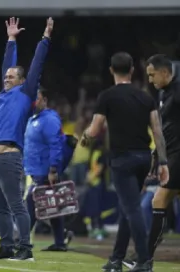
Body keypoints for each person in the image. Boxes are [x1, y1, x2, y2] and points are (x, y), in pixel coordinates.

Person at [81, 52, 168, 272]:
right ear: (131, 70)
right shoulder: (146, 97)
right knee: (127, 208)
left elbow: (95, 128)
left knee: (132, 209)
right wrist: (163, 162)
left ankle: (144, 261)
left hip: (122, 159)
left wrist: (84, 138)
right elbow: (157, 132)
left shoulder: (107, 96)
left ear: (111, 70)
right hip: (143, 158)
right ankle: (116, 259)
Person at [0, 17, 53, 261]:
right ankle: (6, 246)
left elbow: (37, 65)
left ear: (22, 82)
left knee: (16, 206)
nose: (7, 78)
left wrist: (45, 39)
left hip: (9, 157)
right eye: (6, 76)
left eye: (12, 77)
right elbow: (7, 64)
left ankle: (25, 248)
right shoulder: (3, 94)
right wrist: (11, 39)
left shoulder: (25, 93)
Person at [123, 55, 180, 269]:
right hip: (172, 154)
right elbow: (168, 127)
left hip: (178, 155)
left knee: (159, 201)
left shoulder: (177, 89)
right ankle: (143, 256)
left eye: (152, 74)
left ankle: (144, 258)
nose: (150, 79)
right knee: (160, 201)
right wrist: (157, 152)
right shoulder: (166, 93)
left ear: (164, 72)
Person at [23, 88, 76, 252]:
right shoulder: (32, 118)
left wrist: (53, 169)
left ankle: (22, 241)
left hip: (45, 170)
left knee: (30, 205)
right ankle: (60, 242)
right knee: (52, 207)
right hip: (35, 169)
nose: (34, 102)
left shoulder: (50, 119)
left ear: (44, 100)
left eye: (37, 99)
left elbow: (56, 145)